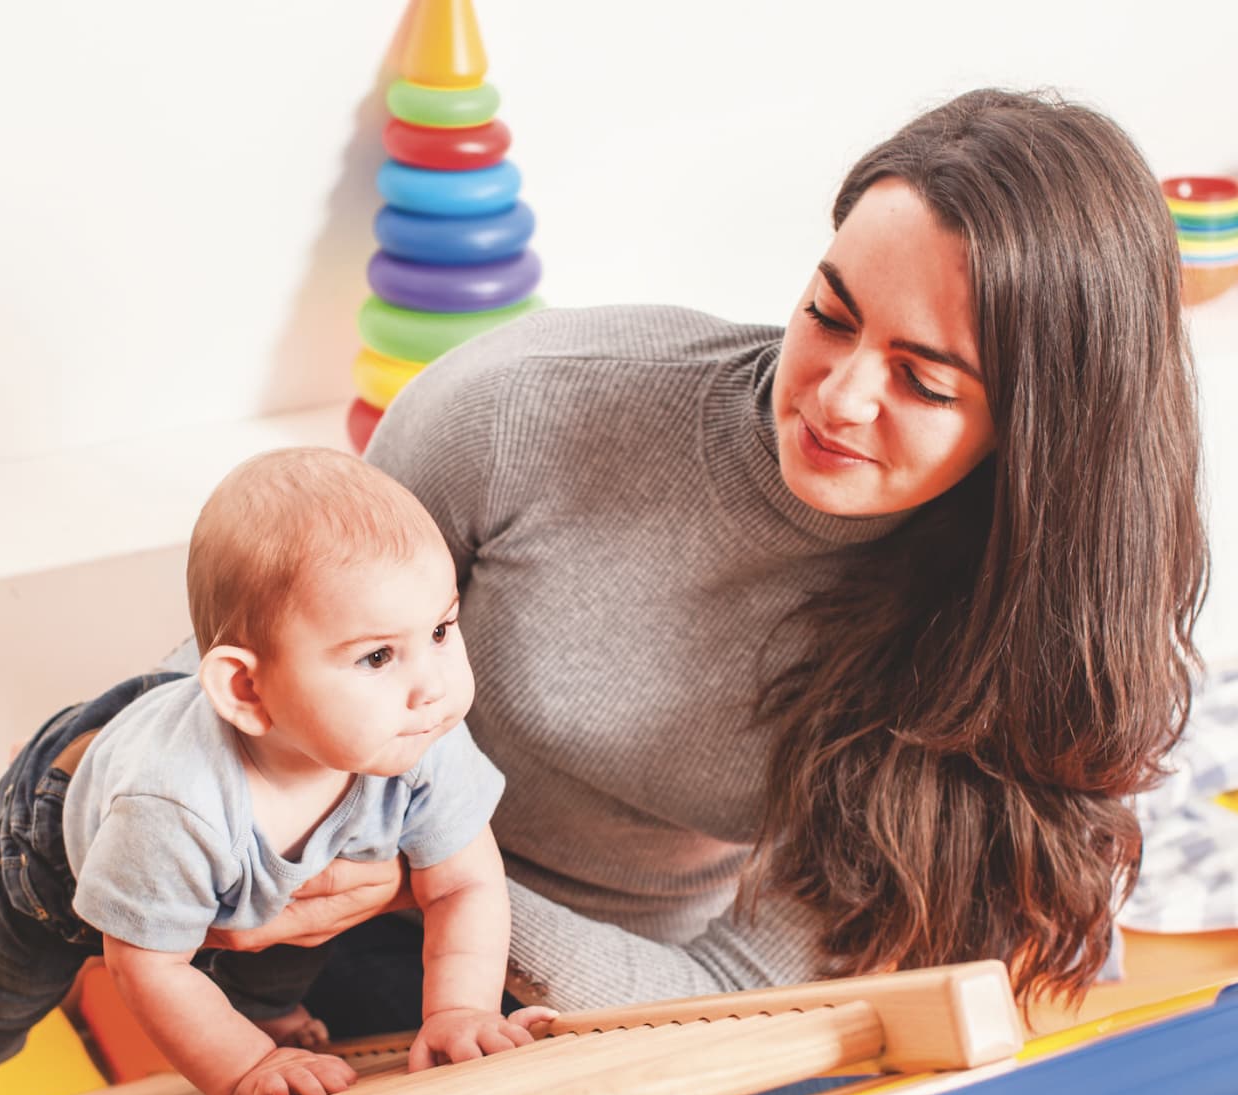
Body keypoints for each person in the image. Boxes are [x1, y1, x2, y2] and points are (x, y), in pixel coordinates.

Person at [204, 87, 1207, 1045]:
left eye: (922, 379)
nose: (839, 397)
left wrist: (455, 889)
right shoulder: (525, 408)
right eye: (831, 314)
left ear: (1035, 435)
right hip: (349, 884)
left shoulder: (1002, 630)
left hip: (634, 963)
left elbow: (745, 990)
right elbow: (277, 644)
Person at [0, 447, 549, 1095]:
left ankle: (267, 1010)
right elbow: (147, 967)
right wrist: (250, 1067)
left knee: (293, 939)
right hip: (52, 843)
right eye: (376, 656)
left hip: (230, 813)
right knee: (3, 980)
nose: (432, 684)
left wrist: (459, 1011)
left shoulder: (417, 735)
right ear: (246, 690)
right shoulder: (173, 807)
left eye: (439, 630)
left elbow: (464, 887)